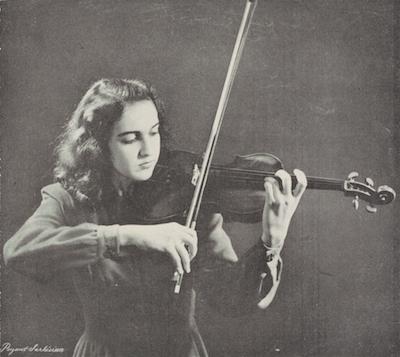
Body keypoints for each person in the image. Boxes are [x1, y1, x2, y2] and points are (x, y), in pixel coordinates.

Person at [3, 78, 307, 357]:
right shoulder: (69, 198)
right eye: (130, 138)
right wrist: (127, 236)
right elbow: (19, 251)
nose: (149, 150)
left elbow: (231, 300)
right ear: (98, 144)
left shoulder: (188, 199)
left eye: (154, 132)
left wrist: (271, 241)